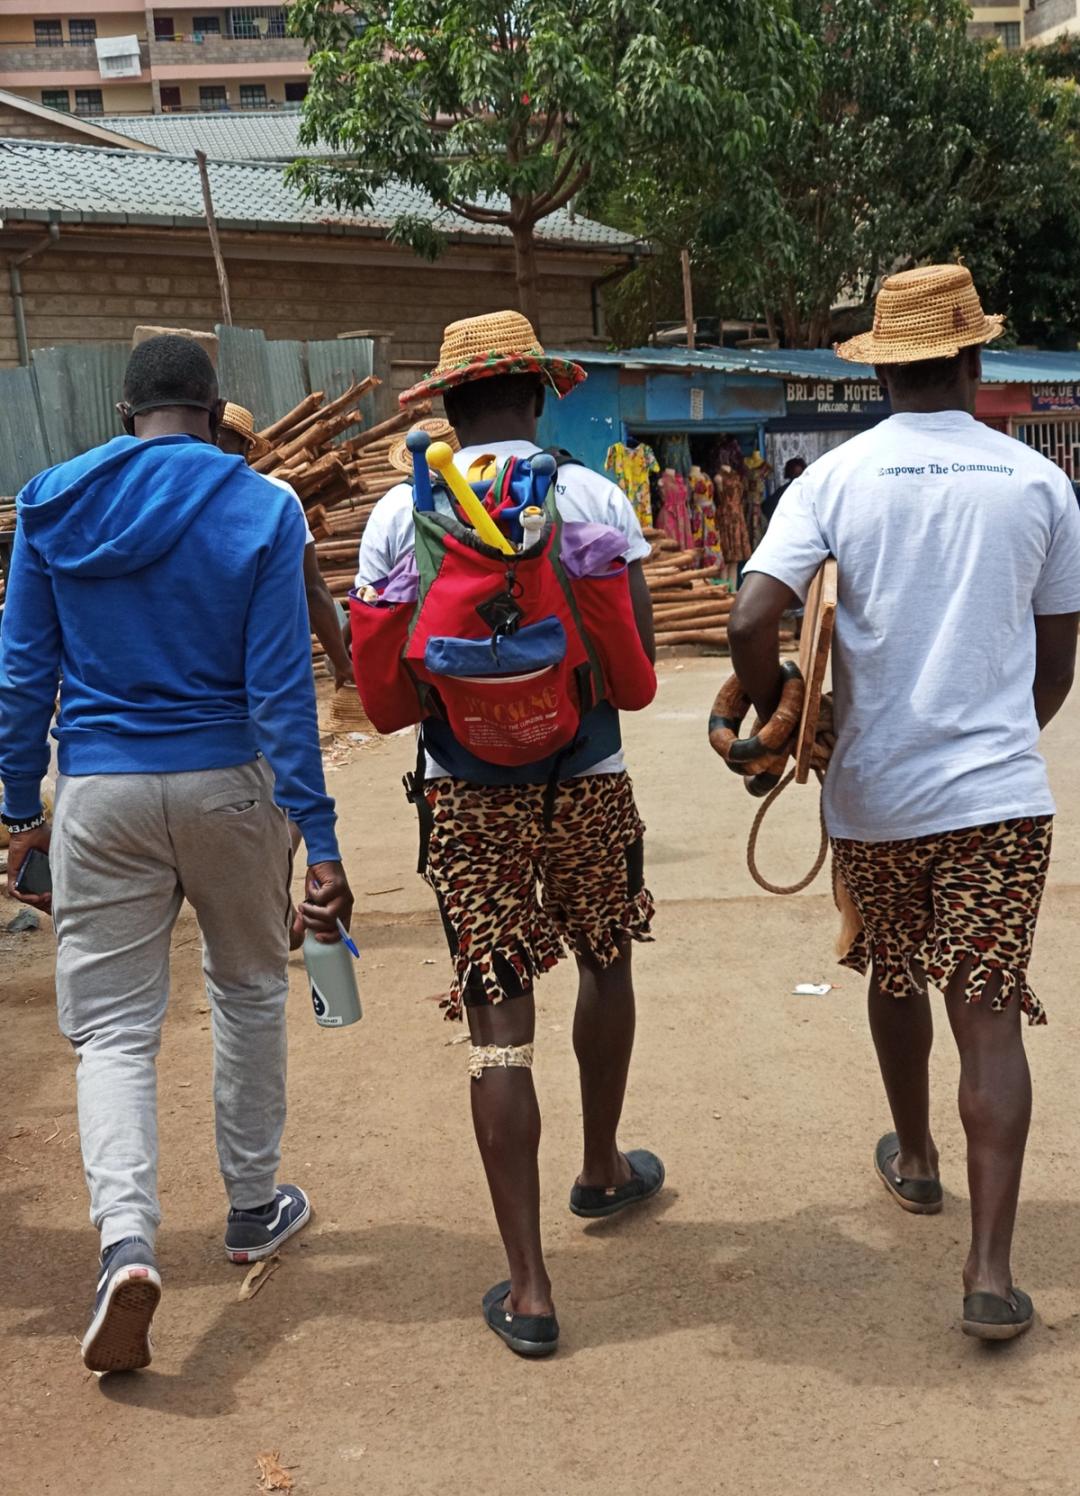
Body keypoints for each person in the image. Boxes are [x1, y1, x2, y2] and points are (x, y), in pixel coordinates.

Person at [728, 265, 1080, 1341]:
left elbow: (751, 613)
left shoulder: (836, 480)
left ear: (882, 366)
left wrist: (783, 702)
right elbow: (1058, 660)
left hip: (877, 795)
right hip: (1000, 795)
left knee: (893, 968)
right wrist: (998, 738)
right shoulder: (1038, 484)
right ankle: (987, 1271)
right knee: (988, 1011)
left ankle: (918, 1159)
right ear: (975, 359)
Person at [0, 335, 354, 1374]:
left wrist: (22, 807)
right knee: (247, 989)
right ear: (212, 412)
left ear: (125, 414)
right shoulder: (263, 507)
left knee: (112, 1032)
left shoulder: (51, 501)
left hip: (99, 792)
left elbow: (22, 677)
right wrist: (320, 838)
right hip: (227, 784)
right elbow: (286, 695)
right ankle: (252, 1208)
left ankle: (127, 1244)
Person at [355, 311, 664, 1357]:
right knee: (606, 959)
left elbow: (383, 696)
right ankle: (603, 1164)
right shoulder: (588, 496)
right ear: (537, 394)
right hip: (588, 773)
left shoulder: (403, 515)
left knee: (499, 1019)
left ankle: (530, 1287)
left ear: (446, 407)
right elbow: (636, 670)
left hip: (464, 785)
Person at [217, 403, 353, 687]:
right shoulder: (277, 497)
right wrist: (342, 663)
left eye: (221, 436)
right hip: (268, 667)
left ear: (245, 446)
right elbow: (312, 587)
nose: (215, 443)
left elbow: (312, 588)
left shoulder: (279, 498)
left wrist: (342, 663)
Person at [761, 456, 806, 530]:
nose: (798, 479)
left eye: (800, 475)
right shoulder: (784, 491)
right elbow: (767, 507)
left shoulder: (809, 490)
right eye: (795, 475)